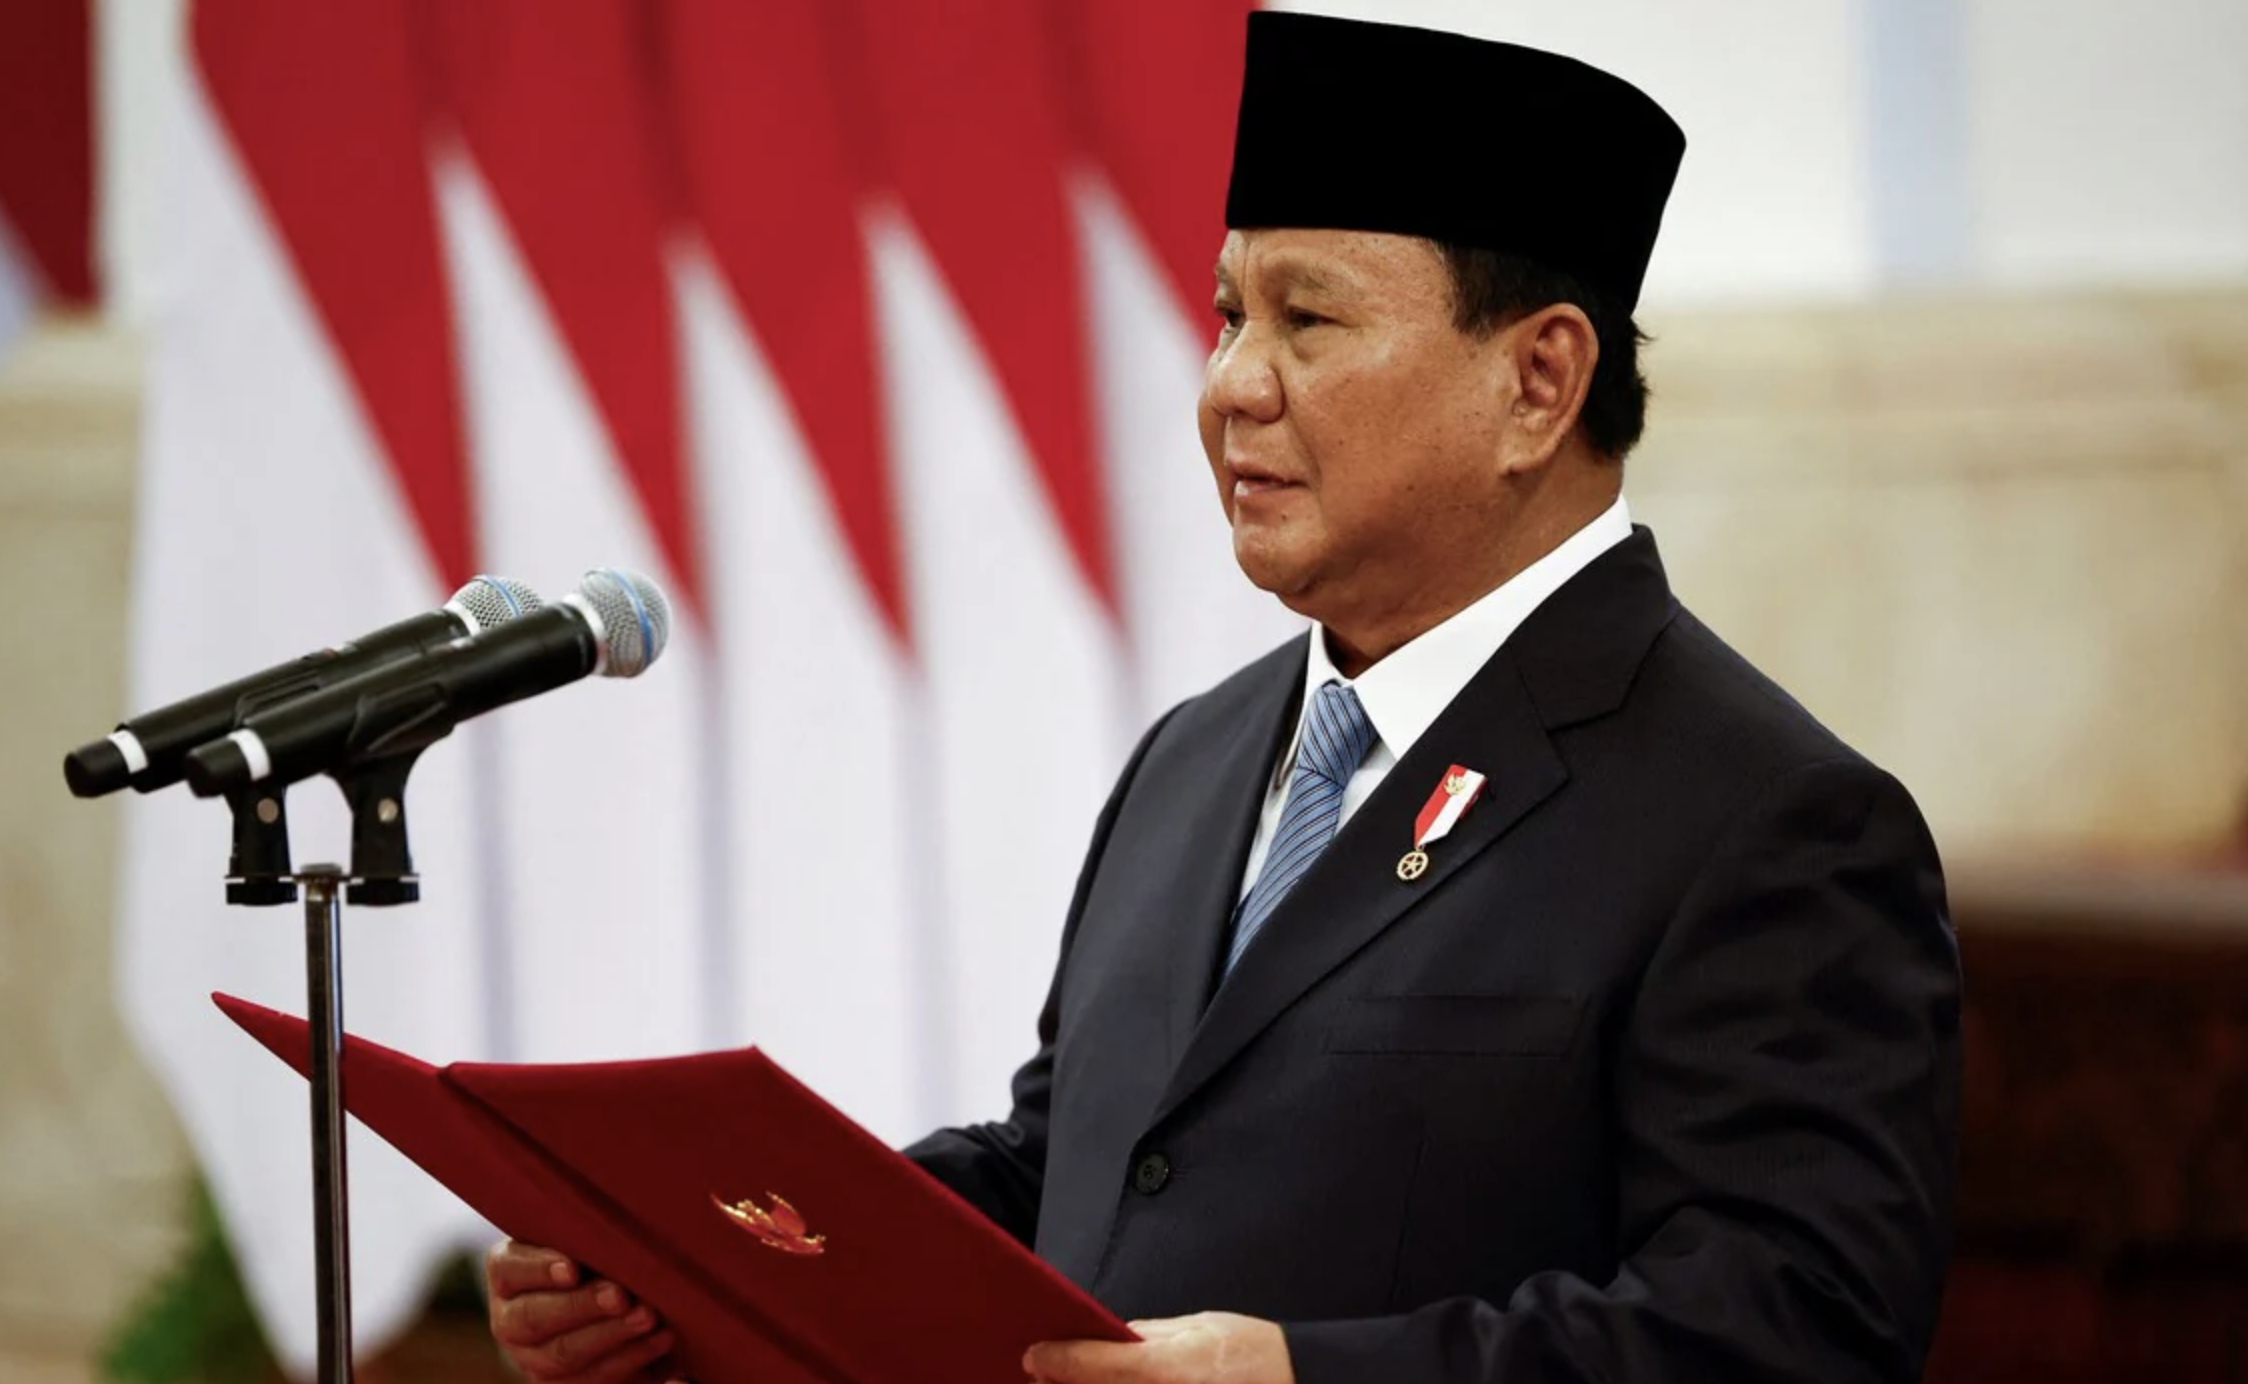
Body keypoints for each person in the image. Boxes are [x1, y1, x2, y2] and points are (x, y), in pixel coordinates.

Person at [484, 13, 1961, 1384]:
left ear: (1537, 383)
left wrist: (1308, 1377)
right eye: (1225, 314)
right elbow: (1077, 1177)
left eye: (1307, 321)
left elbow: (1798, 1326)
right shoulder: (1197, 757)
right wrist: (696, 1264)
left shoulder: (1766, 822)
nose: (1231, 387)